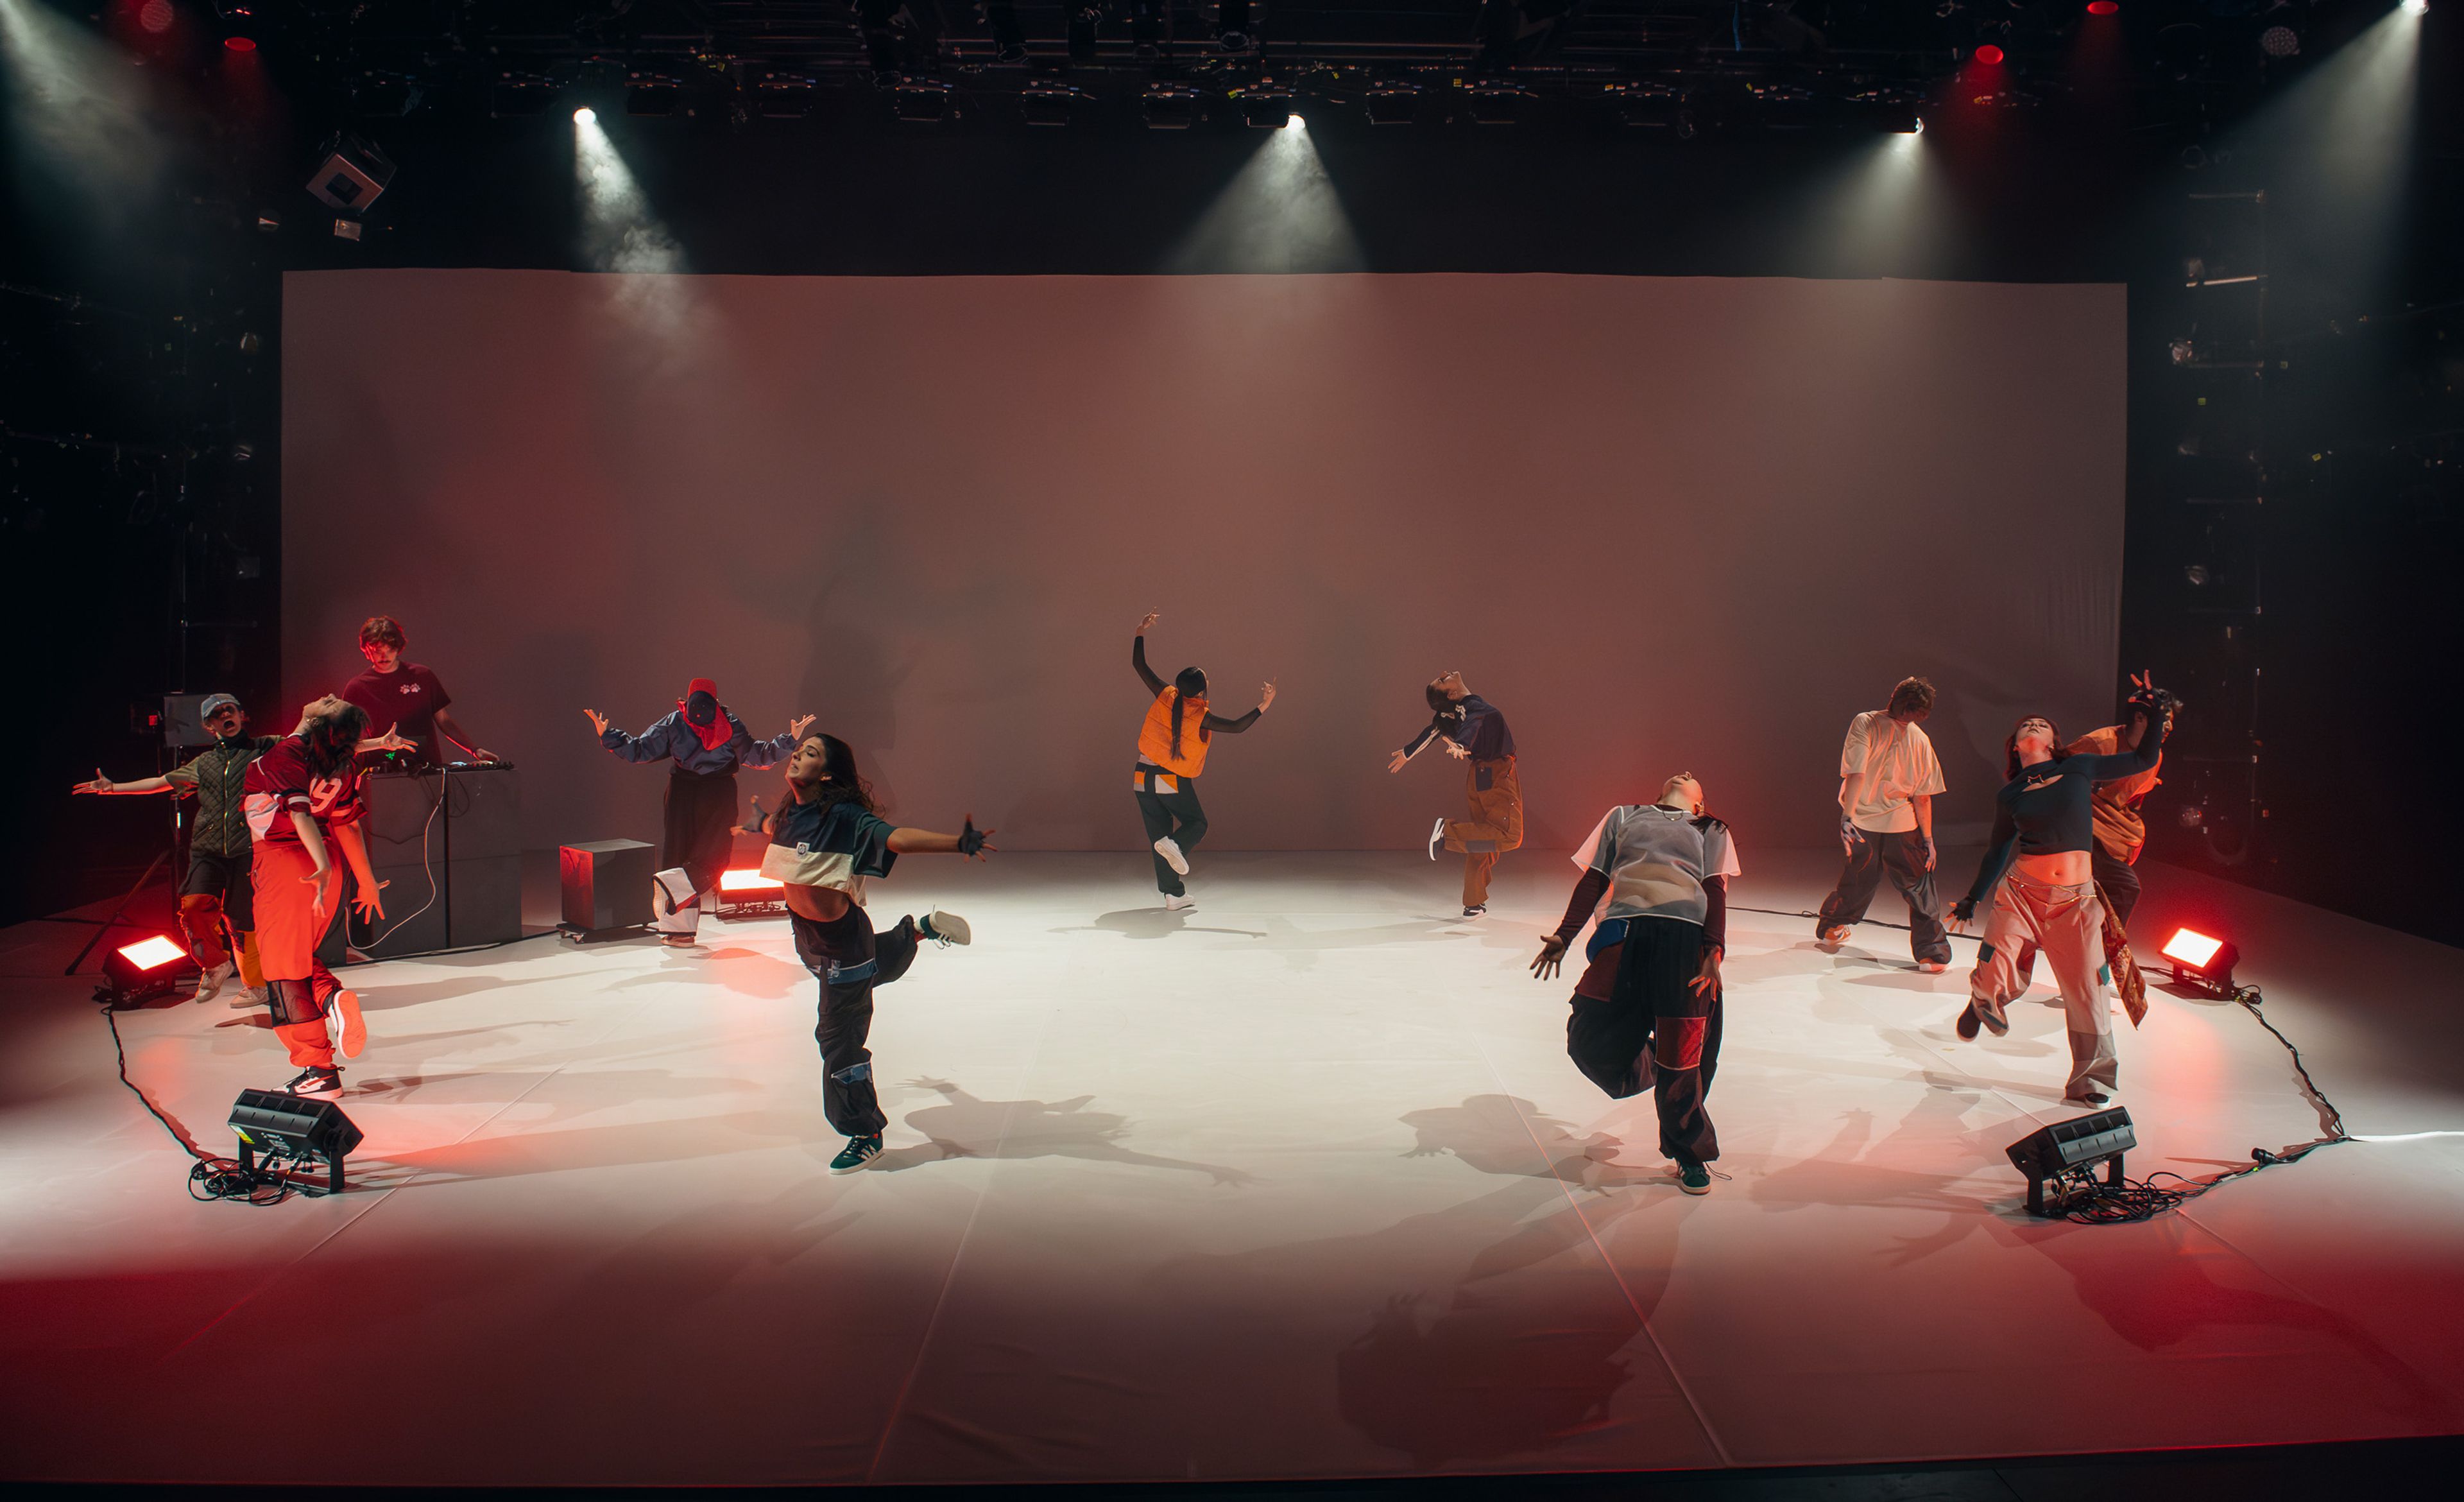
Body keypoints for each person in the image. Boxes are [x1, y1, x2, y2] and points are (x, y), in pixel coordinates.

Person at [752, 732, 991, 1173]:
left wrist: (957, 843)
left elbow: (896, 839)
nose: (798, 756)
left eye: (811, 753)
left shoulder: (844, 816)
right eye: (799, 749)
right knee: (864, 976)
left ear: (825, 772)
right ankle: (919, 930)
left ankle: (865, 1132)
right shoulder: (789, 811)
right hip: (808, 937)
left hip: (842, 940)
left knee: (838, 1040)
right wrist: (759, 822)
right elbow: (773, 827)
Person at [74, 695, 408, 1007]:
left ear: (241, 715)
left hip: (248, 846)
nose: (225, 717)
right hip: (208, 846)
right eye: (217, 715)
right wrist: (113, 788)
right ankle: (217, 966)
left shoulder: (268, 747)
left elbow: (323, 746)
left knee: (243, 922)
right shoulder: (203, 764)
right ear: (209, 726)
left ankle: (260, 985)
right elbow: (161, 781)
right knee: (194, 908)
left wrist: (379, 743)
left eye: (229, 711)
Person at [1947, 681, 2172, 1107]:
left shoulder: (2080, 768)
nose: (2033, 726)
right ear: (2015, 747)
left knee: (2090, 989)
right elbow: (1997, 851)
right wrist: (1972, 899)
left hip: (2076, 901)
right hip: (2022, 892)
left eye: (2042, 724)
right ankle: (1983, 1003)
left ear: (2054, 741)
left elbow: (2143, 757)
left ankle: (2092, 1081)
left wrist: (2153, 711)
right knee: (1998, 964)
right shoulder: (2011, 793)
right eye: (2025, 727)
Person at [1531, 773, 1739, 1195]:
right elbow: (1594, 878)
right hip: (1626, 936)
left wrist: (1713, 949)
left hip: (1684, 943)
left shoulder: (1711, 829)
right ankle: (1652, 1060)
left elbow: (1715, 889)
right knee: (1589, 1043)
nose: (1685, 772)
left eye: (1695, 779)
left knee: (1683, 1061)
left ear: (1700, 804)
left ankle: (1688, 1153)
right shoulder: (1623, 816)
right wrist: (1564, 935)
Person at [2010, 673, 2182, 1023]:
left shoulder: (2154, 755)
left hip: (2114, 834)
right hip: (2082, 829)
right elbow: (2056, 771)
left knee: (2074, 905)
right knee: (2119, 888)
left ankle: (2082, 967)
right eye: (2162, 723)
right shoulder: (2101, 742)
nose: (2167, 731)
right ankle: (2084, 967)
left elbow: (2132, 794)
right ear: (2140, 718)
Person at [586, 681, 811, 945]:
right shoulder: (727, 722)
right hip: (717, 793)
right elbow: (757, 755)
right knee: (714, 856)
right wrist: (790, 739)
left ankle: (679, 928)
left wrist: (608, 735)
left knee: (678, 853)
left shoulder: (675, 721)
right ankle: (674, 889)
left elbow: (640, 750)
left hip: (683, 793)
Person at [243, 695, 390, 1097]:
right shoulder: (341, 763)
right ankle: (331, 1001)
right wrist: (366, 881)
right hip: (326, 865)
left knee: (282, 972)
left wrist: (320, 865)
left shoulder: (287, 752)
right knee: (297, 960)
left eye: (332, 702)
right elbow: (348, 826)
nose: (328, 695)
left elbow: (299, 811)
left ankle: (318, 1069)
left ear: (320, 724)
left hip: (292, 865)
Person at [1129, 610, 1275, 912]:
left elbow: (1139, 665)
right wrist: (1265, 704)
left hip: (1141, 776)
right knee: (1195, 824)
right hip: (1168, 779)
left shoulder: (1164, 694)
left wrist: (1140, 630)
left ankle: (1173, 895)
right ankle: (1178, 848)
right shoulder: (1201, 716)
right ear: (1201, 690)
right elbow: (1236, 726)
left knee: (1160, 839)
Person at [1813, 677, 1951, 972]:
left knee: (1860, 876)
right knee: (1918, 885)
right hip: (1902, 823)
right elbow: (1923, 796)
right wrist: (1927, 839)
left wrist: (1848, 816)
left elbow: (1856, 772)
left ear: (1894, 696)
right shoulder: (1920, 739)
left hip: (1864, 819)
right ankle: (1932, 953)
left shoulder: (1865, 722)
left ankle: (1832, 927)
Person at [1389, 672, 1521, 918]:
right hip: (1496, 773)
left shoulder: (1448, 714)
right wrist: (1462, 745)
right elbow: (1475, 721)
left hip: (1479, 776)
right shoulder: (1472, 706)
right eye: (1442, 681)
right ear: (1452, 694)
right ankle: (1447, 833)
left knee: (1483, 838)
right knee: (1510, 835)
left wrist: (1409, 753)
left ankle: (1473, 902)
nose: (1444, 675)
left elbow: (1432, 731)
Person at [339, 614, 496, 766]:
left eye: (390, 649)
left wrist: (475, 750)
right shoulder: (357, 688)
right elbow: (347, 743)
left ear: (399, 647)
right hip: (380, 773)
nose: (384, 655)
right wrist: (381, 743)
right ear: (367, 650)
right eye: (378, 650)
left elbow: (444, 720)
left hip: (427, 767)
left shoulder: (422, 676)